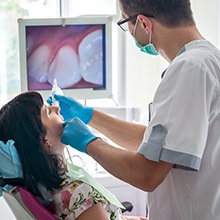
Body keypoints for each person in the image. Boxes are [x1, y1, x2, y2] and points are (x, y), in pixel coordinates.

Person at [51, 0, 220, 220]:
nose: (129, 32)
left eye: (126, 23)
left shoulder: (189, 69)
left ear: (143, 23)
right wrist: (89, 116)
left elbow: (147, 174)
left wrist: (88, 142)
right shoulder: (207, 60)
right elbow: (157, 146)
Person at [0, 91, 147, 220]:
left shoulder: (45, 190)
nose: (57, 108)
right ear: (43, 140)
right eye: (48, 112)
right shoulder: (77, 193)